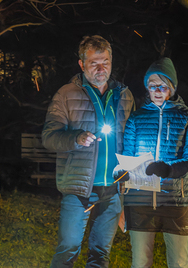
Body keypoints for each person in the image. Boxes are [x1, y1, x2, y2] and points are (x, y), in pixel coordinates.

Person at [42, 35, 135, 268]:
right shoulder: (66, 94)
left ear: (112, 61)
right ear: (82, 64)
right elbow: (49, 137)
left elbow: (131, 139)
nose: (101, 68)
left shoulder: (124, 95)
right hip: (78, 189)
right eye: (94, 63)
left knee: (100, 255)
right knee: (68, 250)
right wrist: (76, 138)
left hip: (113, 191)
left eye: (105, 61)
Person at [114, 57, 188, 268]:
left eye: (163, 86)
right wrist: (122, 174)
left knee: (179, 263)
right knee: (141, 262)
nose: (157, 90)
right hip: (140, 201)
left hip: (177, 200)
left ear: (172, 87)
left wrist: (168, 169)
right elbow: (128, 156)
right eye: (152, 86)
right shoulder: (136, 118)